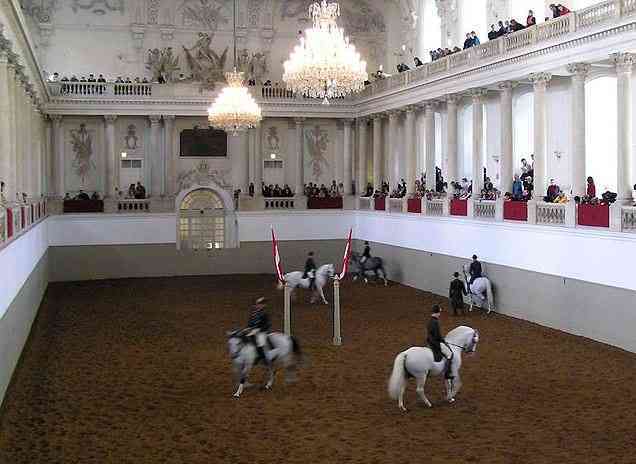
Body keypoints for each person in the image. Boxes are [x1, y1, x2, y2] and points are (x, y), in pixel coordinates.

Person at [427, 305, 453, 379]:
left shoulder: (429, 321)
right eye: (439, 312)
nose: (440, 314)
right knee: (450, 354)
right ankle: (447, 373)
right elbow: (437, 335)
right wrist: (443, 341)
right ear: (437, 312)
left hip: (429, 342)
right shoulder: (435, 322)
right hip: (435, 343)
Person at [245, 297, 272, 369]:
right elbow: (250, 322)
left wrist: (259, 330)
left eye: (261, 304)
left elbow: (267, 324)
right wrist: (248, 328)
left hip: (262, 331)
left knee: (260, 343)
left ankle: (262, 358)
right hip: (253, 330)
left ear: (263, 305)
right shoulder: (253, 313)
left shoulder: (265, 314)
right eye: (258, 304)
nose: (259, 305)